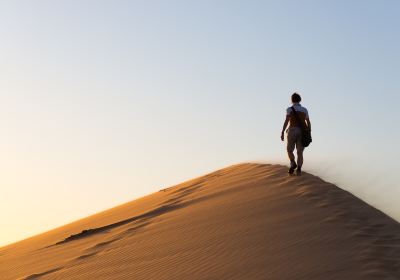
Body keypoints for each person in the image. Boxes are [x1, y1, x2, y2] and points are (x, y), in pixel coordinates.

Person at [280, 93, 311, 175]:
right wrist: (309, 132)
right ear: (300, 100)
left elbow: (286, 121)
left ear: (292, 100)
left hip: (292, 130)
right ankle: (299, 170)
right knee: (300, 152)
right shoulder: (304, 110)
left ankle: (293, 163)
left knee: (289, 150)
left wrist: (282, 131)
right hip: (302, 131)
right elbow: (308, 122)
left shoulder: (289, 109)